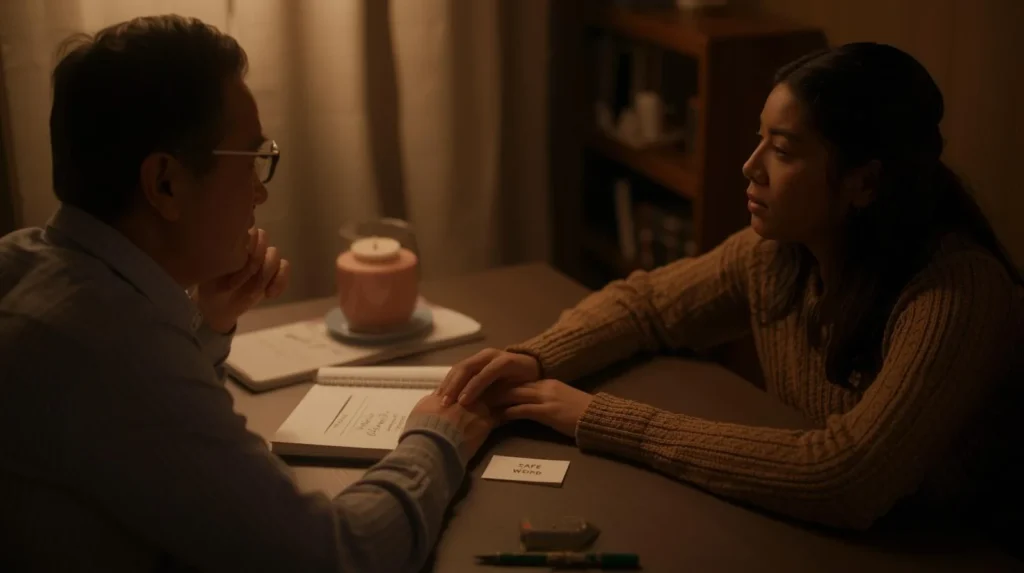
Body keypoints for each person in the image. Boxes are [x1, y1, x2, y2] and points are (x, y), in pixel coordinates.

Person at [439, 43, 1024, 532]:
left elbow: (848, 477)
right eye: (759, 138)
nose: (751, 166)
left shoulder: (958, 293)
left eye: (784, 150)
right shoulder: (777, 254)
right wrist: (534, 356)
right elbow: (647, 305)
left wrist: (600, 419)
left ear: (864, 181)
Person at [0, 15, 496, 572]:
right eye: (253, 159)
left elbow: (152, 451)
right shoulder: (110, 349)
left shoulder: (23, 260)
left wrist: (205, 330)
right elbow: (331, 557)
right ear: (165, 183)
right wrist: (437, 439)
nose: (260, 191)